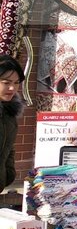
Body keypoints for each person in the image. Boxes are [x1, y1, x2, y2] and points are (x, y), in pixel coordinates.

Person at [0, 55, 25, 192]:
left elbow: (9, 147)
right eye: (6, 82)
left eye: (16, 83)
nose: (12, 88)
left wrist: (8, 173)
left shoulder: (9, 112)